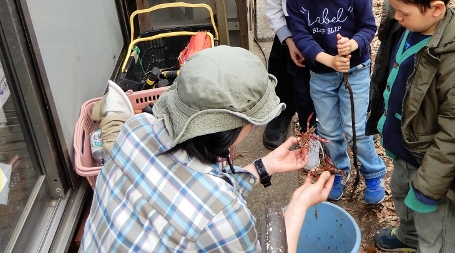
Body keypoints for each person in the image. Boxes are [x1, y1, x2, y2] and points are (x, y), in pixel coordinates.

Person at [80, 46, 335, 253]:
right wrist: (299, 204)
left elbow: (193, 192)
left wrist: (262, 168)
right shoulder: (225, 217)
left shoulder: (136, 128)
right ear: (236, 127)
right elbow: (210, 206)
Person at [365, 0, 455, 252]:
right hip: (405, 147)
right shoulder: (408, 27)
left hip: (432, 165)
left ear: (435, 9)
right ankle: (408, 237)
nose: (396, 16)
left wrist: (431, 184)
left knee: (435, 226)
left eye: (403, 12)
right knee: (401, 193)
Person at [285, 0, 386, 203]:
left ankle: (373, 172)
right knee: (328, 130)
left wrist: (354, 44)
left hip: (356, 71)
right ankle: (338, 171)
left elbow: (368, 28)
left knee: (355, 129)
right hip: (320, 73)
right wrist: (328, 59)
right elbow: (301, 37)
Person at [250, 0, 317, 162]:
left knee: (318, 76)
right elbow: (273, 7)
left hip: (321, 23)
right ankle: (282, 110)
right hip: (290, 25)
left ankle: (321, 120)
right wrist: (288, 40)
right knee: (281, 68)